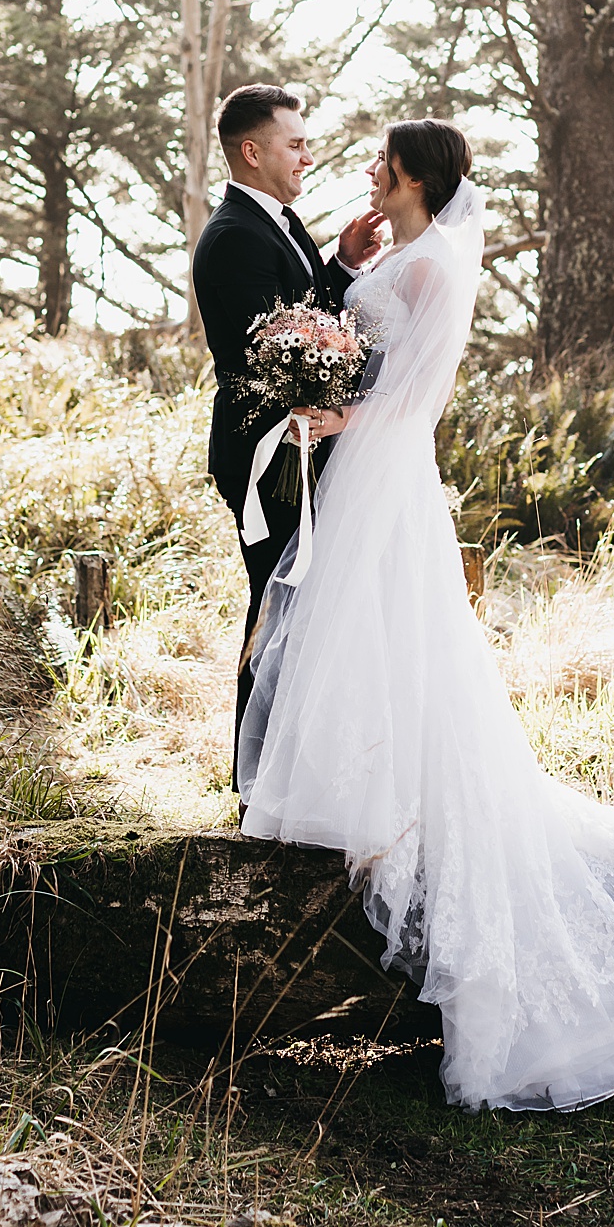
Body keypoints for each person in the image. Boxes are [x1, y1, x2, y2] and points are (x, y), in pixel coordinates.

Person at [237, 119, 614, 1113]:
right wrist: (344, 274)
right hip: (364, 474)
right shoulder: (395, 251)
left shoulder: (429, 266)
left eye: (385, 161)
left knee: (397, 641)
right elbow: (368, 348)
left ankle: (399, 814)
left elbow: (414, 392)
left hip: (386, 471)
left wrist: (345, 412)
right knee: (364, 638)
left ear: (417, 177)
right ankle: (353, 801)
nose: (370, 169)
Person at [190, 83, 382, 790]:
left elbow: (302, 323)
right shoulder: (235, 235)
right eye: (295, 143)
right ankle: (255, 787)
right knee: (275, 611)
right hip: (268, 455)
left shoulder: (277, 221)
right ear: (252, 150)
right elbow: (268, 356)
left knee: (300, 612)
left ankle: (289, 781)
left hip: (301, 444)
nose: (308, 154)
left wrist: (341, 264)